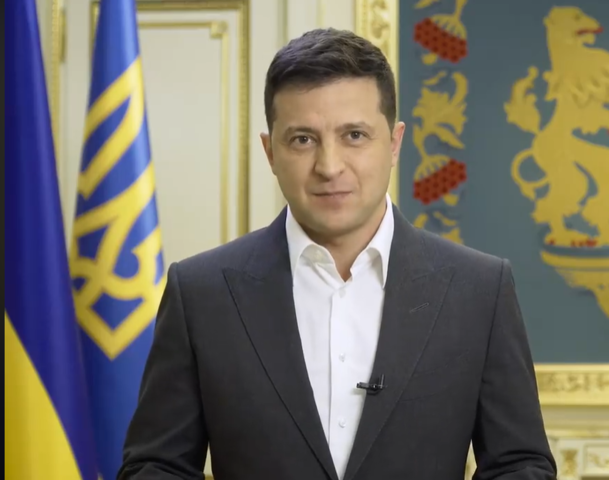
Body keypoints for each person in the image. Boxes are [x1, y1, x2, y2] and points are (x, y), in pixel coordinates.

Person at [119, 28, 557, 480]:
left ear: (394, 143)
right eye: (302, 139)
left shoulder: (479, 290)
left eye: (354, 135)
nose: (329, 166)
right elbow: (155, 467)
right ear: (270, 152)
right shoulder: (201, 294)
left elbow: (519, 465)